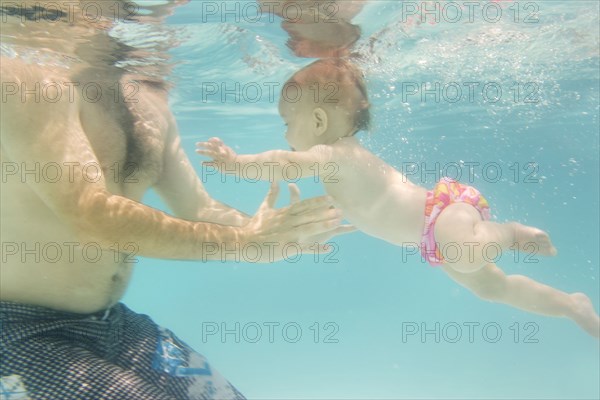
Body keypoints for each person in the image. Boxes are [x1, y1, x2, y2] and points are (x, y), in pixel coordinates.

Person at [0, 2, 345, 399]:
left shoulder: (148, 103)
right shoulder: (28, 79)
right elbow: (93, 216)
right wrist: (244, 243)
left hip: (115, 324)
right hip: (18, 331)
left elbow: (198, 209)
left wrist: (270, 232)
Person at [197, 58, 600, 338]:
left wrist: (236, 164)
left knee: (464, 253)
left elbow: (284, 163)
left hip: (443, 215)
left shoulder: (335, 155)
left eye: (287, 123)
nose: (285, 135)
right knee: (493, 288)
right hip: (432, 239)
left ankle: (509, 233)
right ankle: (571, 305)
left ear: (318, 121)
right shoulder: (338, 161)